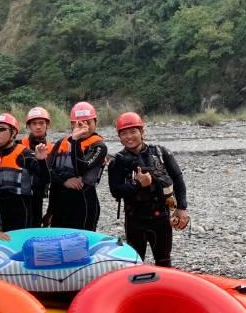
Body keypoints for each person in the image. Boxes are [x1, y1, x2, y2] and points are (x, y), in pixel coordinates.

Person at [108, 112, 189, 267]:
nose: (129, 137)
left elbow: (178, 179)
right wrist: (138, 184)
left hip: (161, 217)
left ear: (142, 132)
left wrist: (182, 208)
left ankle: (164, 290)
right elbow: (115, 191)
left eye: (133, 132)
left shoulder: (160, 153)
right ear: (119, 136)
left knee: (164, 261)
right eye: (124, 133)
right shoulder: (117, 162)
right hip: (134, 219)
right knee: (134, 263)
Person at [0, 113, 48, 231]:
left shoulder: (26, 155)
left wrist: (41, 161)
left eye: (1, 129)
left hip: (21, 217)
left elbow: (45, 180)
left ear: (13, 133)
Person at [47, 101, 108, 231]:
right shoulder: (60, 143)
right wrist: (64, 181)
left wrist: (75, 141)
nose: (84, 127)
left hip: (84, 202)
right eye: (79, 123)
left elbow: (81, 168)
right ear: (71, 124)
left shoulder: (99, 146)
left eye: (88, 122)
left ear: (95, 123)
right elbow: (47, 172)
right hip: (60, 202)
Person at [22, 106, 54, 226]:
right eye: (34, 123)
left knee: (35, 225)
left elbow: (53, 180)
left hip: (38, 195)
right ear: (29, 126)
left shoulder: (52, 149)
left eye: (41, 123)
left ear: (47, 125)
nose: (38, 126)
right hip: (20, 197)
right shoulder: (19, 146)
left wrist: (51, 211)